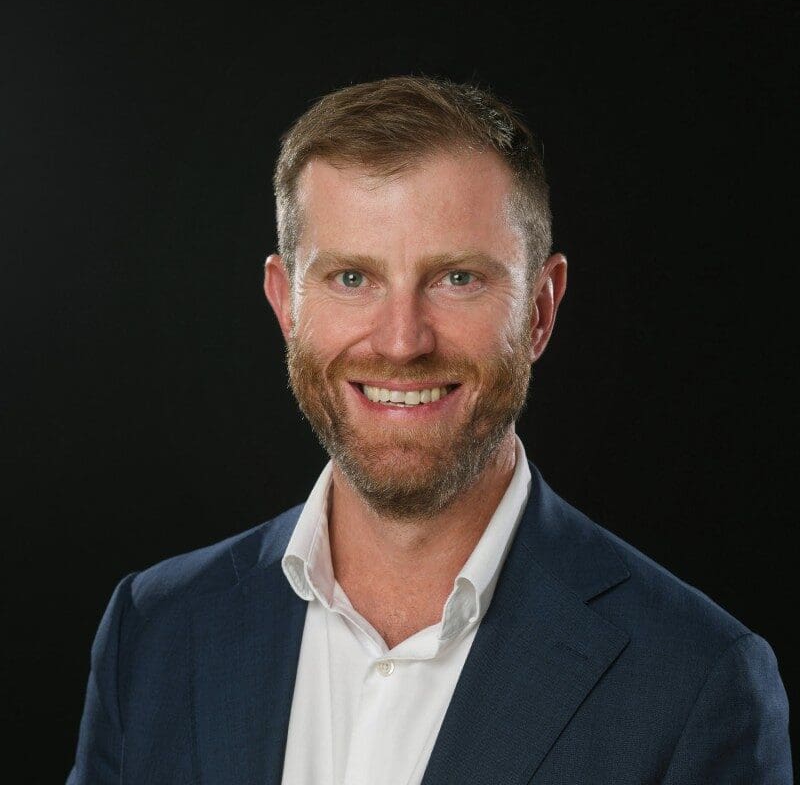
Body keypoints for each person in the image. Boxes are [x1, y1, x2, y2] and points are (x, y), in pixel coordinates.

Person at [68, 76, 792, 784]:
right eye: (353, 278)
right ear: (286, 305)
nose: (402, 341)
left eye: (458, 279)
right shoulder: (155, 629)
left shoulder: (697, 681)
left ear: (540, 310)